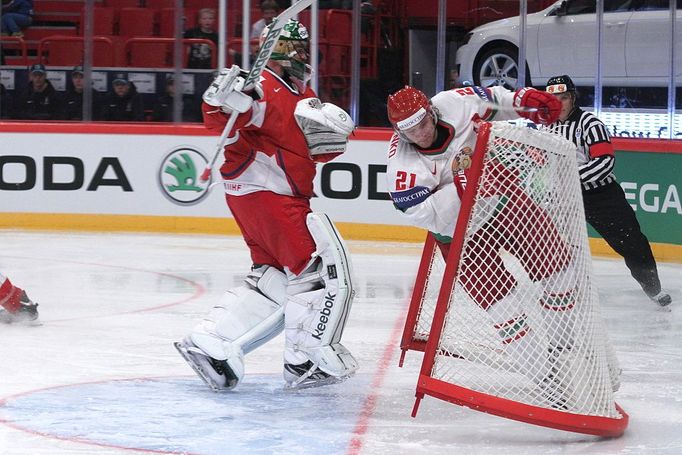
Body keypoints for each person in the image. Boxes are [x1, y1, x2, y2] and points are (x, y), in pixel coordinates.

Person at [175, 19, 358, 391]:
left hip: (264, 195)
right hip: (269, 194)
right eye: (294, 47)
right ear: (276, 49)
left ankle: (212, 343)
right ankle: (305, 361)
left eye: (303, 48)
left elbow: (313, 145)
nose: (301, 55)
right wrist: (221, 99)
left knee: (270, 280)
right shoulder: (260, 86)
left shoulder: (298, 90)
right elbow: (219, 119)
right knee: (316, 274)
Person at [385, 84, 584, 407]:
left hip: (501, 199)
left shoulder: (452, 102)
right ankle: (547, 380)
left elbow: (492, 98)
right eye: (407, 130)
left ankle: (561, 350)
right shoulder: (403, 168)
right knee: (504, 310)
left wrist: (522, 101)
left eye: (421, 122)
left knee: (559, 265)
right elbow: (427, 218)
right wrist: (461, 189)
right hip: (459, 234)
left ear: (431, 112)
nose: (419, 134)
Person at [544, 75, 671, 307]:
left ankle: (653, 287)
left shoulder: (590, 124)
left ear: (572, 99)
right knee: (559, 247)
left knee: (631, 241)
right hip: (564, 197)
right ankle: (567, 291)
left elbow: (605, 162)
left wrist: (574, 178)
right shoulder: (544, 127)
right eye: (553, 98)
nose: (559, 103)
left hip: (600, 196)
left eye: (563, 98)